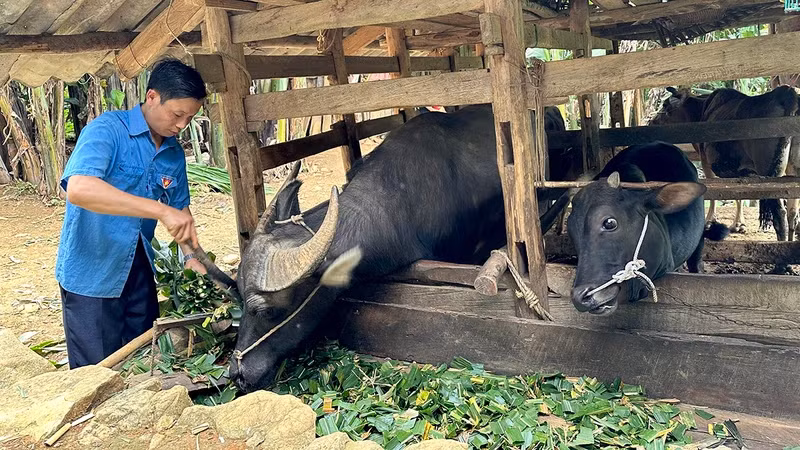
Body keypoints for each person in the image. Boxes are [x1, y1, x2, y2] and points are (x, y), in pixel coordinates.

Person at [56, 58, 208, 368]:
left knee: (141, 363)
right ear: (152, 96)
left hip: (138, 270)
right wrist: (158, 210)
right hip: (92, 274)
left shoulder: (173, 151)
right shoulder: (108, 130)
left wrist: (193, 257)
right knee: (96, 374)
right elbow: (80, 189)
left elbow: (180, 210)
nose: (181, 125)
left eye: (189, 118)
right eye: (177, 114)